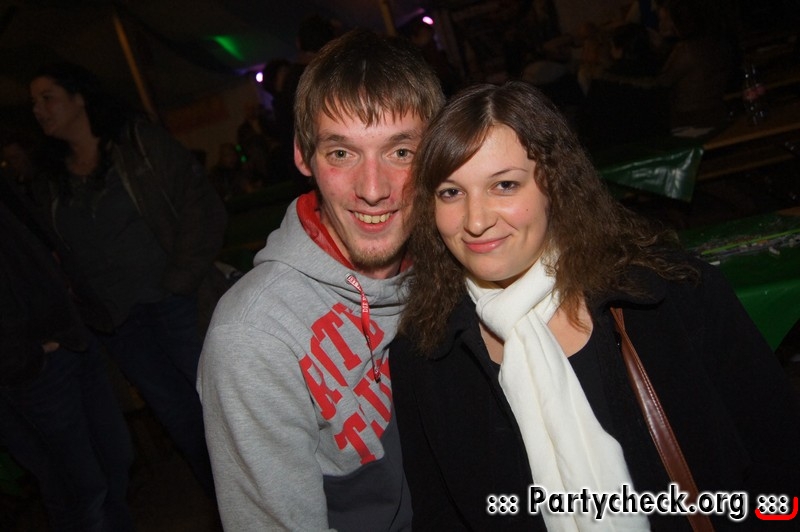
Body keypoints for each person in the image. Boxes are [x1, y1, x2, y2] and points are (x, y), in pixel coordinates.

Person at [390, 81, 800, 530]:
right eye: (451, 192)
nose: (476, 220)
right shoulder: (424, 353)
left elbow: (780, 466)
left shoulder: (669, 296)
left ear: (555, 186)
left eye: (504, 185)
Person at [198, 29, 445, 530]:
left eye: (400, 152)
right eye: (341, 153)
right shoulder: (253, 337)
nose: (372, 189)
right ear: (302, 156)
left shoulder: (455, 263)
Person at [29, 62, 227, 499]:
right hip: (121, 323)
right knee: (181, 422)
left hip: (176, 302)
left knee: (221, 407)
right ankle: (229, 512)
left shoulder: (137, 145)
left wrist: (180, 279)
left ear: (79, 97)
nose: (39, 110)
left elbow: (199, 203)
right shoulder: (52, 183)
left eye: (47, 97)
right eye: (33, 103)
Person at [0, 173, 134, 531]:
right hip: (32, 363)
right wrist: (22, 355)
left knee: (115, 459)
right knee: (82, 490)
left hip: (68, 336)